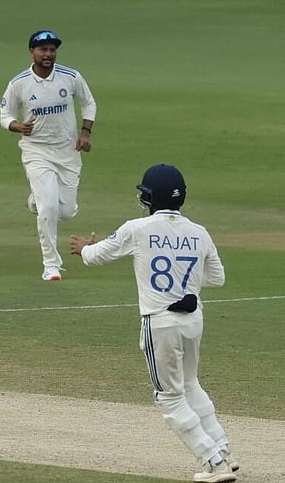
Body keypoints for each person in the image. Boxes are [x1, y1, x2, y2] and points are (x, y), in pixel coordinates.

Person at [71, 164, 238, 483]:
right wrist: (184, 283)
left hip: (160, 322)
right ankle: (224, 450)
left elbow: (97, 256)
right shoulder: (199, 232)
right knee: (190, 385)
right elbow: (217, 278)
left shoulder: (138, 228)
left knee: (169, 397)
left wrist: (84, 249)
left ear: (149, 197)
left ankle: (213, 461)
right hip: (193, 319)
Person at [0, 29, 97, 281]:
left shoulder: (70, 76)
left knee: (65, 212)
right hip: (37, 151)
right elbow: (5, 115)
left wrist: (85, 133)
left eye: (52, 50)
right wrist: (17, 126)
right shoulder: (19, 83)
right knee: (49, 207)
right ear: (32, 52)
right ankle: (51, 265)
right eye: (42, 49)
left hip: (67, 151)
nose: (48, 54)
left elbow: (89, 103)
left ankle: (35, 199)